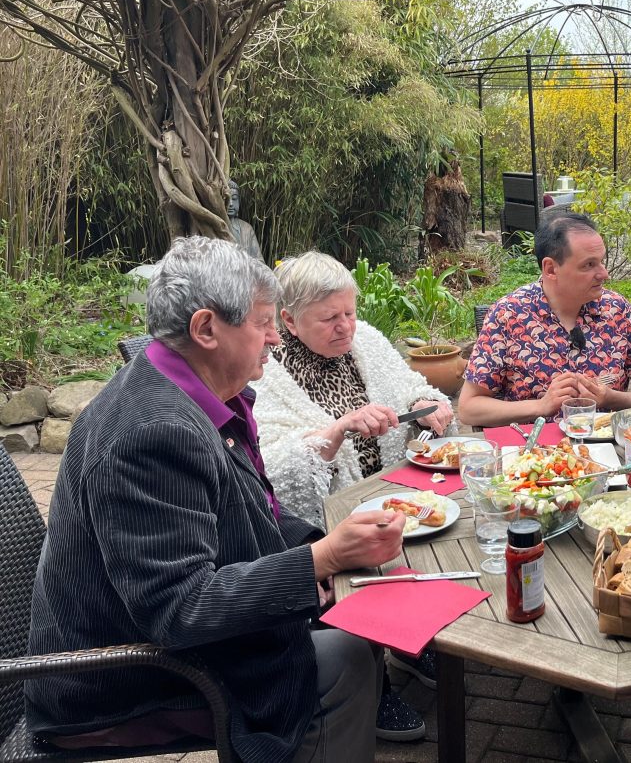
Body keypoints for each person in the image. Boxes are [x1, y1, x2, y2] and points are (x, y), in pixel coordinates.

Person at [26, 237, 414, 763]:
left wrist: (327, 547)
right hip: (118, 683)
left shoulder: (194, 391)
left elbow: (248, 517)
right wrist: (324, 559)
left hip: (150, 640)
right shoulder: (151, 434)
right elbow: (180, 610)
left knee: (356, 608)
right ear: (206, 328)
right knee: (344, 655)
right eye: (263, 323)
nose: (277, 338)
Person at [253, 251, 454, 529]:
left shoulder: (367, 339)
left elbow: (412, 386)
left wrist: (422, 405)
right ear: (289, 321)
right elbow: (268, 470)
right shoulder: (264, 372)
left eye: (349, 312)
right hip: (337, 527)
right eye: (329, 318)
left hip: (406, 503)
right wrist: (335, 432)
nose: (346, 327)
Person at [459, 210, 631, 427]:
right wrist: (540, 406)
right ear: (551, 269)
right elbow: (469, 409)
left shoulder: (617, 311)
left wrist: (612, 398)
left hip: (605, 453)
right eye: (589, 265)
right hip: (532, 454)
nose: (604, 274)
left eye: (601, 261)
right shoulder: (509, 315)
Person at [226, 178, 263, 262]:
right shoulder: (214, 226)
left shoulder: (246, 228)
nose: (231, 204)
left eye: (234, 199)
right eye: (227, 199)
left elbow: (259, 261)